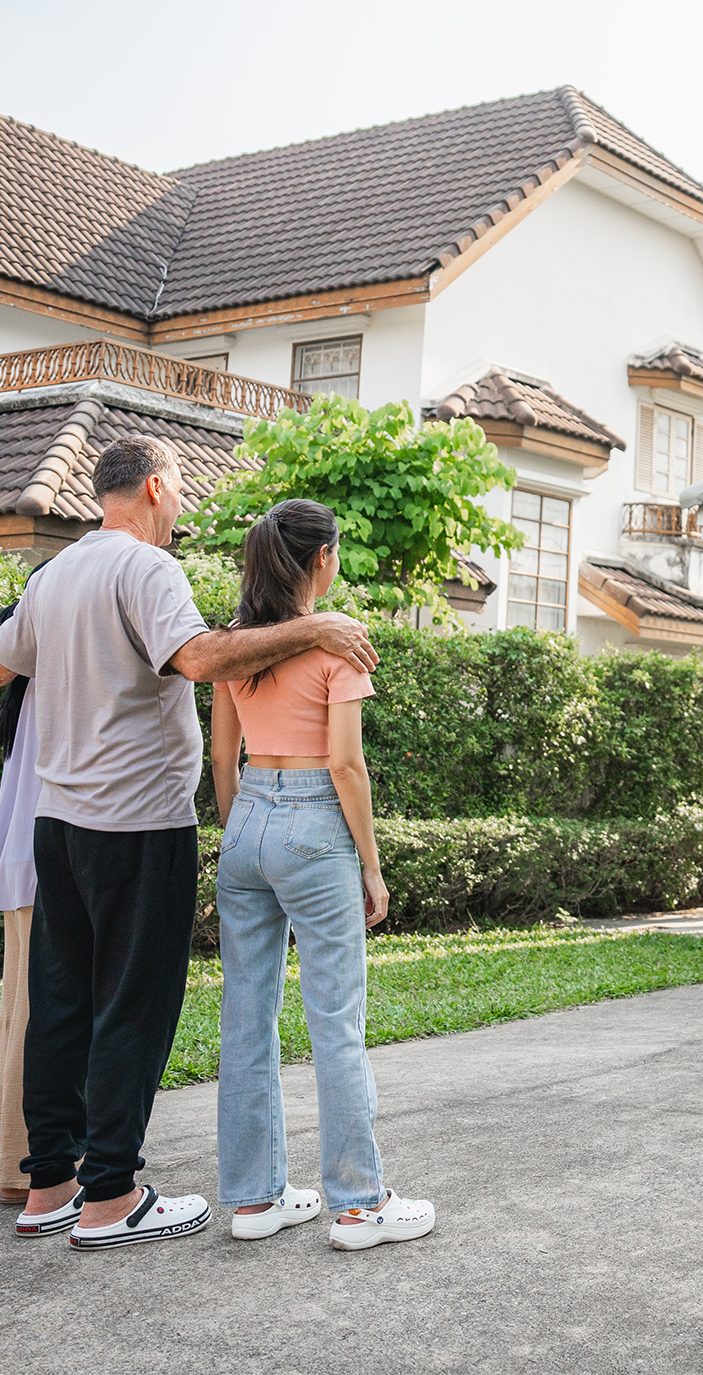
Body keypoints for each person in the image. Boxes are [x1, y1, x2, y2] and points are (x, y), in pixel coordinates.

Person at [0, 436, 377, 1249]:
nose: (184, 504)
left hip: (56, 820)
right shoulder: (146, 567)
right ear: (156, 486)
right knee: (134, 1002)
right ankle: (112, 1197)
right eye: (183, 488)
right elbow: (200, 657)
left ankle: (48, 1184)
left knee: (60, 1002)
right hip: (135, 821)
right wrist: (317, 628)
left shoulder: (55, 571)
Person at [211, 498, 434, 1251]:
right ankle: (358, 1205)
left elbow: (221, 761)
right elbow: (346, 764)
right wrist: (371, 865)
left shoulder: (235, 643)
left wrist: (247, 830)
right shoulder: (338, 645)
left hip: (246, 820)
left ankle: (252, 1200)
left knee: (247, 1017)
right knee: (335, 1019)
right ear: (322, 559)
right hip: (314, 821)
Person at [0, 599, 42, 1208]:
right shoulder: (52, 690)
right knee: (42, 1011)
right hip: (50, 864)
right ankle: (27, 1166)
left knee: (22, 1008)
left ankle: (13, 1160)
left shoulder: (24, 698)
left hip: (27, 864)